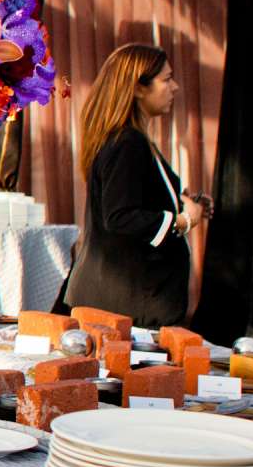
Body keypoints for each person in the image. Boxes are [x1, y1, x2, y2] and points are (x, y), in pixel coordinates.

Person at [61, 44, 213, 327]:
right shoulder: (127, 143)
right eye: (166, 80)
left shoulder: (130, 140)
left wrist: (184, 203)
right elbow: (120, 216)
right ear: (138, 87)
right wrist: (182, 220)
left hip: (128, 304)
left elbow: (134, 199)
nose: (175, 87)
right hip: (125, 308)